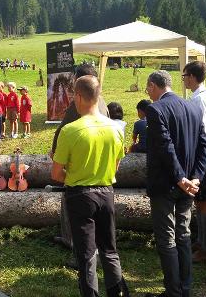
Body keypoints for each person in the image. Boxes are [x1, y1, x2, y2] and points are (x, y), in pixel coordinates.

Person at [51, 75, 129, 297]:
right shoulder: (115, 129)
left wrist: (75, 174)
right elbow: (115, 168)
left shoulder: (70, 130)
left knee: (86, 255)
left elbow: (56, 173)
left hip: (80, 195)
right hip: (106, 193)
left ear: (78, 96)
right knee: (110, 250)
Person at [144, 70, 206, 297]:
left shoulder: (155, 109)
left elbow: (165, 146)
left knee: (167, 238)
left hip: (167, 184)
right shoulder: (193, 107)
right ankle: (185, 287)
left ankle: (173, 291)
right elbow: (204, 146)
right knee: (183, 234)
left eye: (147, 88)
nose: (147, 93)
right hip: (189, 184)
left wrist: (181, 178)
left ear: (153, 86)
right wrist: (196, 177)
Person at [51, 64, 110, 253]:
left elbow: (63, 130)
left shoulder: (79, 104)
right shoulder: (102, 102)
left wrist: (55, 152)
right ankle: (73, 240)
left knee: (73, 207)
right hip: (100, 167)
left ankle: (75, 244)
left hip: (79, 163)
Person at [182, 61, 206, 264]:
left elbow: (199, 129)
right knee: (200, 199)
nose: (184, 79)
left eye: (185, 76)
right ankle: (202, 241)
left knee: (204, 201)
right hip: (203, 147)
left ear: (192, 77)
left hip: (201, 148)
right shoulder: (205, 96)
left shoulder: (198, 100)